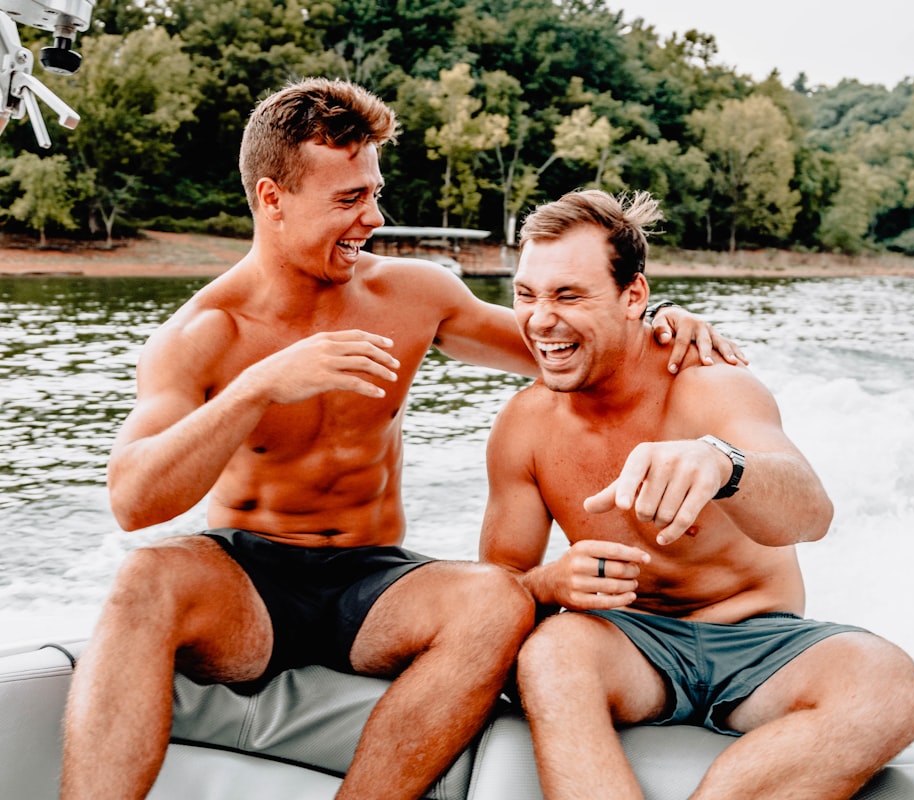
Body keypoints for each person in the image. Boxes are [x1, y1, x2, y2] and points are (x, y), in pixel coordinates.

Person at [59, 79, 742, 800]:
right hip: (249, 585)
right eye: (348, 200)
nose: (374, 218)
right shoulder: (204, 335)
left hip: (373, 581)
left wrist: (657, 320)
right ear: (272, 198)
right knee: (143, 579)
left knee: (496, 601)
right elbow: (133, 501)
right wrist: (260, 387)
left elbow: (568, 345)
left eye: (373, 192)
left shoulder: (413, 295)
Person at [480, 189, 914, 800]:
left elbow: (812, 513)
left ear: (633, 296)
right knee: (550, 654)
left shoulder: (709, 383)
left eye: (568, 295)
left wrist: (724, 463)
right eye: (526, 295)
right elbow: (501, 581)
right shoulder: (522, 425)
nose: (538, 319)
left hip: (757, 635)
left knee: (888, 682)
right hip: (625, 642)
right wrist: (547, 583)